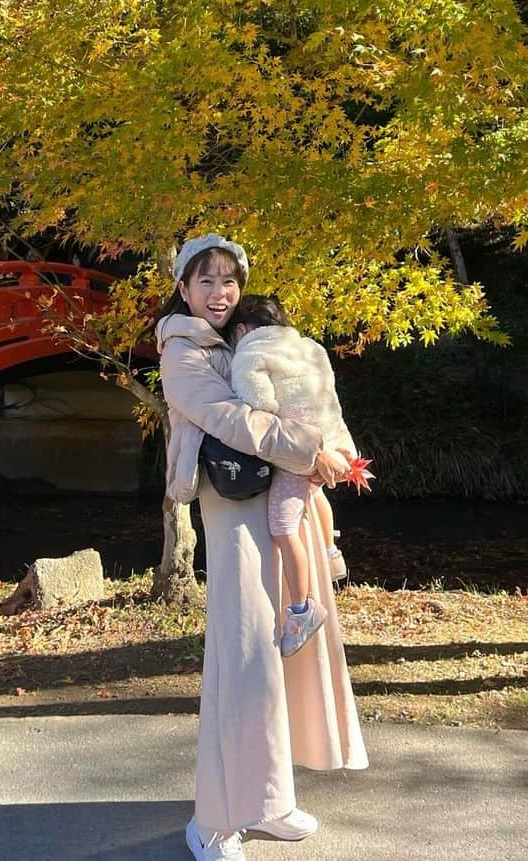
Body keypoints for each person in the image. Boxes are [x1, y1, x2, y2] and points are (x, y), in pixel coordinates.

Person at [156, 233, 368, 861]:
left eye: (229, 280)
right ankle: (215, 820)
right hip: (234, 510)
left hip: (280, 502)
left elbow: (309, 394)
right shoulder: (181, 349)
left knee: (285, 653)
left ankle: (268, 797)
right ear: (183, 288)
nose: (219, 292)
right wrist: (311, 452)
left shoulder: (248, 339)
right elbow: (233, 420)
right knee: (244, 652)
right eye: (205, 281)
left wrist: (340, 456)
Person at [229, 294, 358, 656]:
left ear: (242, 328)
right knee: (316, 495)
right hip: (336, 443)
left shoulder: (250, 351)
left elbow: (260, 406)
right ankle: (332, 553)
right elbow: (328, 395)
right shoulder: (311, 346)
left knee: (283, 527)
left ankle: (302, 609)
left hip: (298, 453)